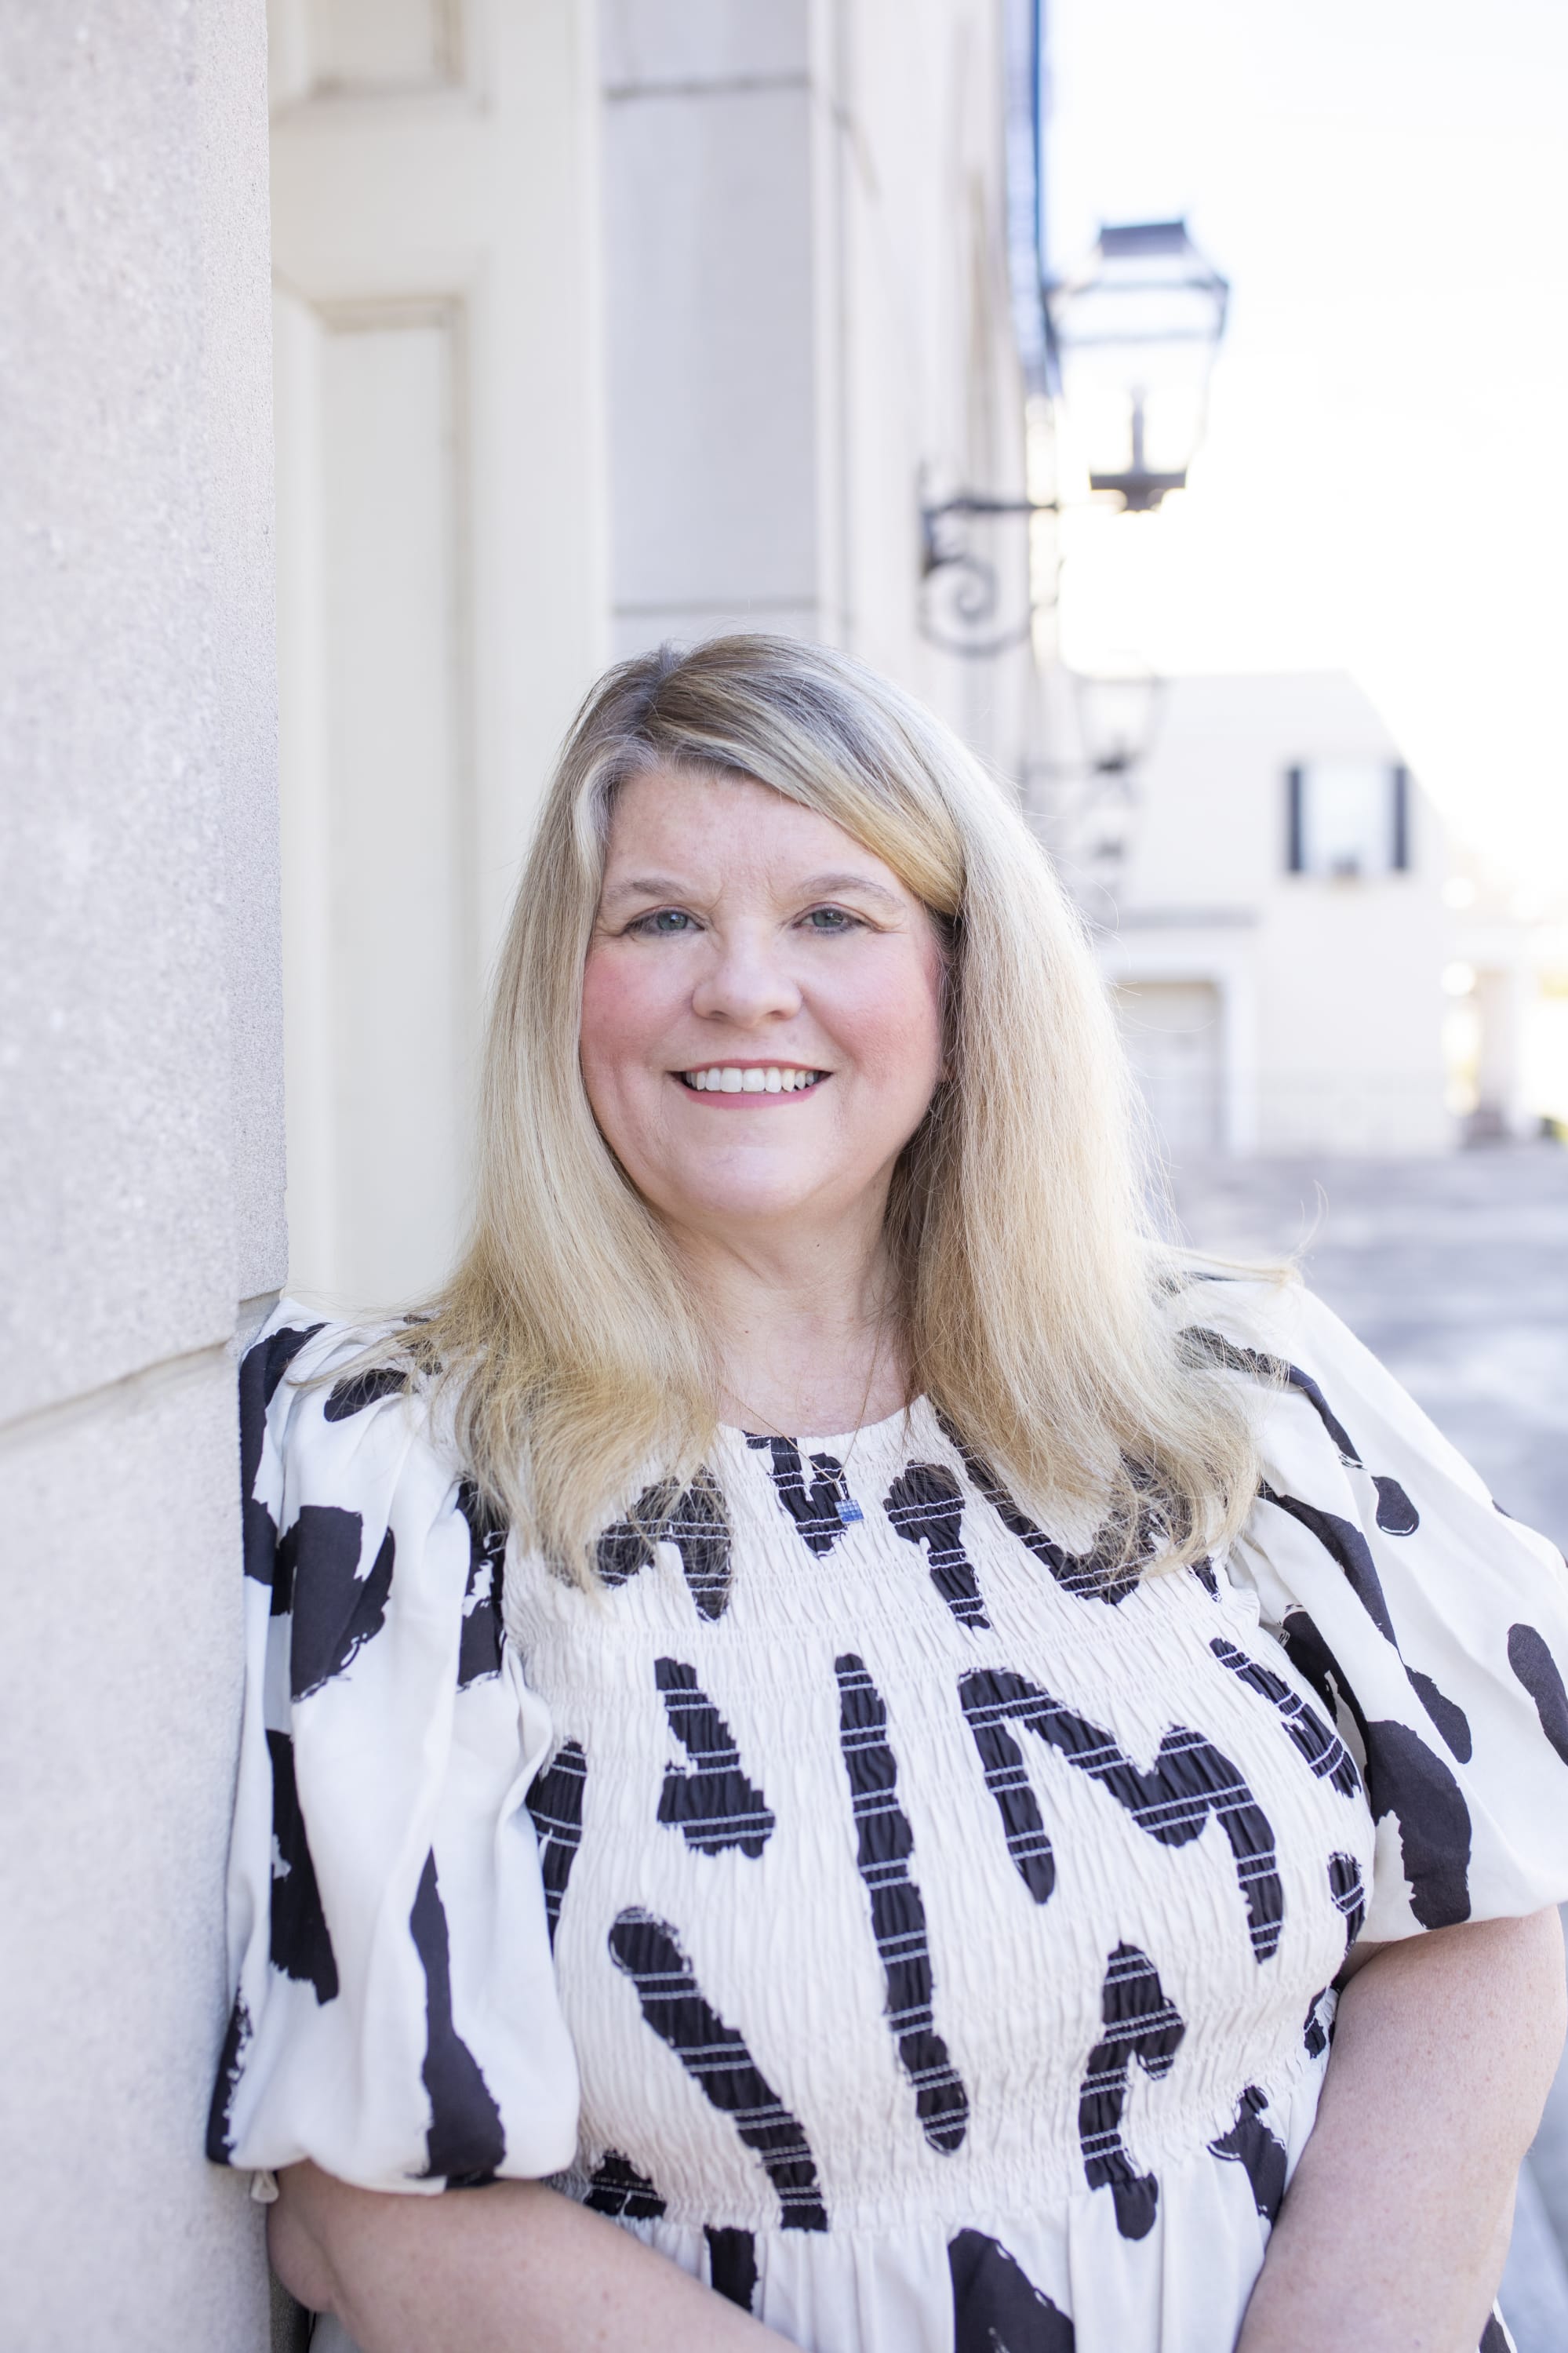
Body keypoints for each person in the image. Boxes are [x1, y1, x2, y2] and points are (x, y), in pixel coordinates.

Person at [211, 635, 1568, 2353]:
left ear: (959, 983)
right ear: (566, 987)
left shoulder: (1231, 1392)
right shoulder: (396, 1473)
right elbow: (367, 2212)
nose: (742, 988)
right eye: (658, 918)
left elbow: (1479, 1905)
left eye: (831, 916)